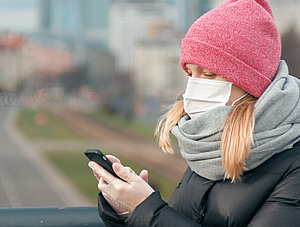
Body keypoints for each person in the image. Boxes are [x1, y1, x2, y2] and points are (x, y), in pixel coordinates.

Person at [88, 0, 300, 226]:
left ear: (251, 82)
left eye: (209, 75)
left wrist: (147, 210)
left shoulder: (294, 166)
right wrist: (128, 211)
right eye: (191, 73)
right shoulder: (208, 146)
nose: (194, 87)